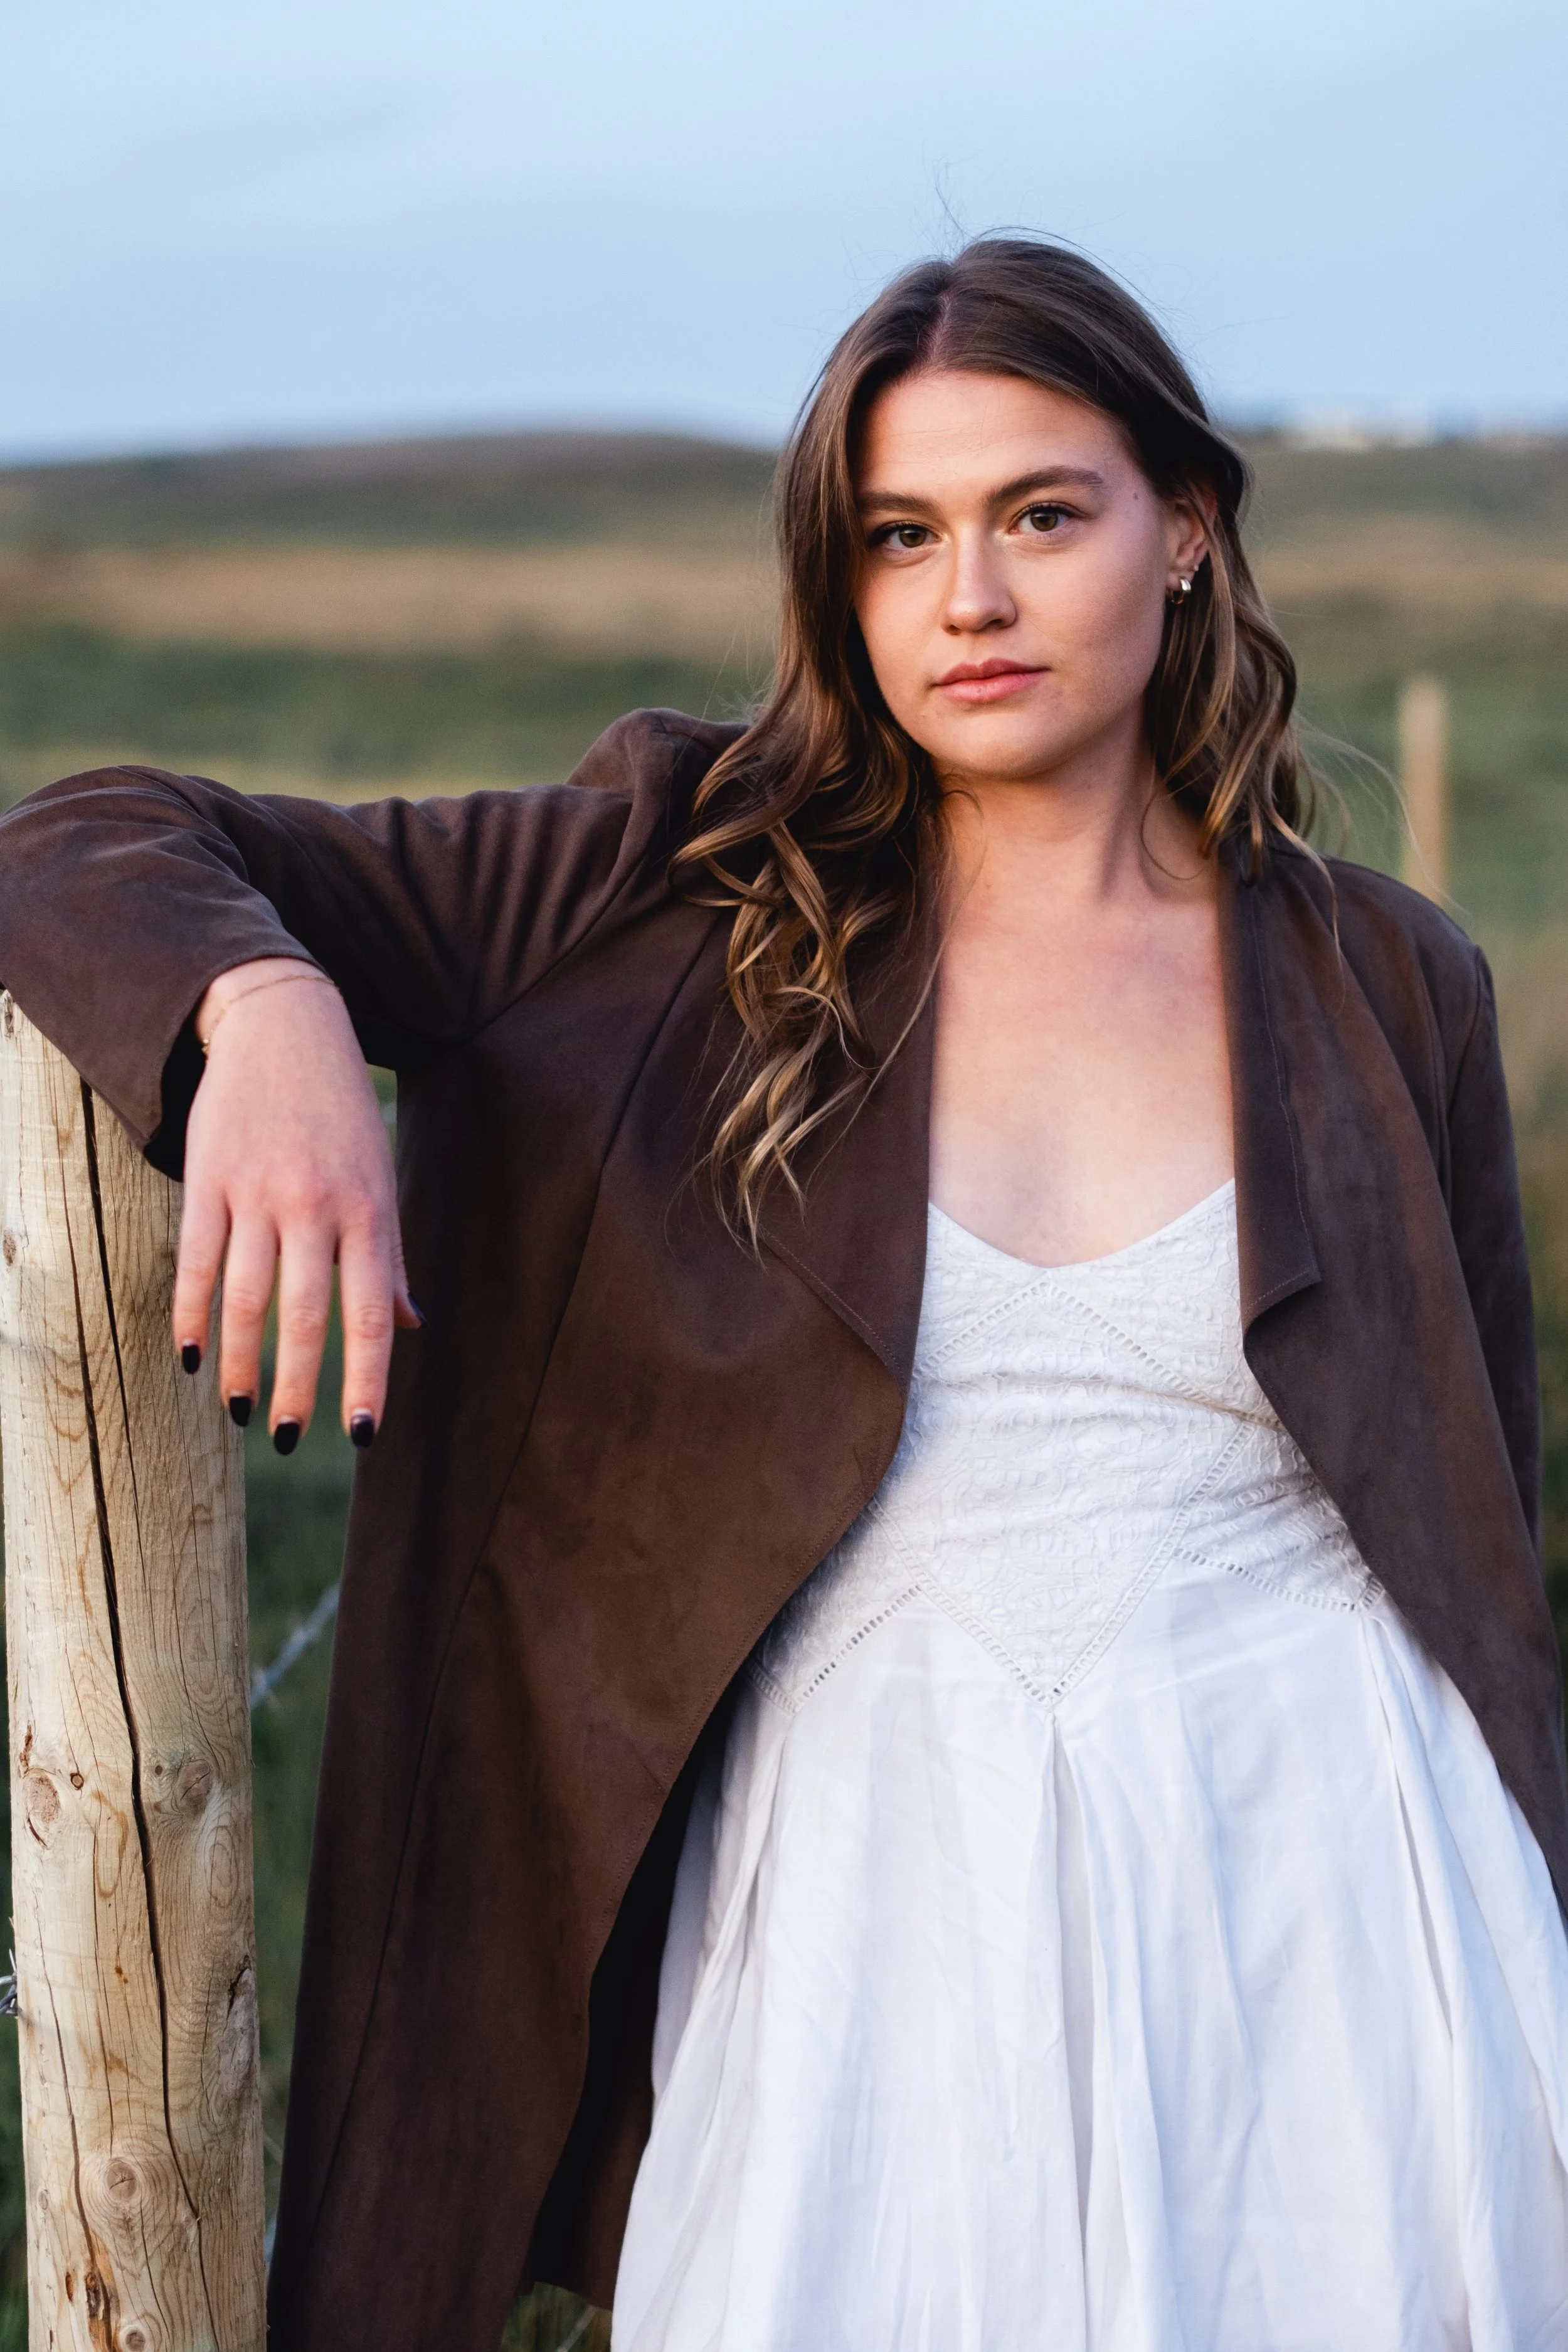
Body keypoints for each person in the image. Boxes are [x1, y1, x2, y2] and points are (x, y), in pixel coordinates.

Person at [1, 238, 1565, 2352]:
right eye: (897, 538)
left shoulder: (1389, 985)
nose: (968, 600)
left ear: (1184, 530)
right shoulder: (672, 885)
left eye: (1040, 515)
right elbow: (91, 833)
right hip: (873, 1914)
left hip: (1334, 1881)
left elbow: (1475, 1524)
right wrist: (265, 1004)